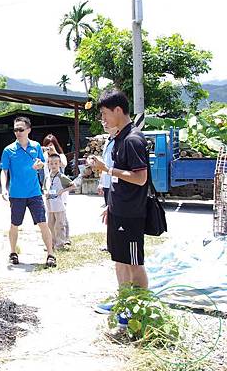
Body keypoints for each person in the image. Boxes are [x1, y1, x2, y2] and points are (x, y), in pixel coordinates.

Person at [89, 90, 149, 316]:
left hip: (131, 213)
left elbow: (140, 178)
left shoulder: (132, 139)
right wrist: (110, 205)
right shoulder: (119, 138)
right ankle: (124, 302)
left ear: (118, 110)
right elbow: (120, 180)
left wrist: (107, 169)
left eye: (104, 114)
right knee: (120, 258)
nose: (103, 119)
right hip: (118, 209)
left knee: (134, 261)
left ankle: (140, 308)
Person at [0, 117, 57, 268]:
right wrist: (3, 188)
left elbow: (41, 162)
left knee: (43, 223)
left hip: (34, 192)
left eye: (21, 129)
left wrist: (40, 165)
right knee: (14, 224)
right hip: (16, 194)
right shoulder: (8, 150)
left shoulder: (36, 146)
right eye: (15, 129)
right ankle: (13, 252)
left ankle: (50, 254)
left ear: (28, 130)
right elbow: (4, 171)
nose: (18, 132)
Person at [43, 153, 75, 249]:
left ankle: (60, 243)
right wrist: (45, 192)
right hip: (49, 205)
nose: (53, 166)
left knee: (59, 225)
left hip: (59, 205)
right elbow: (44, 188)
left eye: (56, 163)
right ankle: (51, 243)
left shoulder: (61, 176)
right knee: (50, 225)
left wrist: (62, 191)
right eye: (51, 163)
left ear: (60, 164)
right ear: (48, 164)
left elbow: (73, 186)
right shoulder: (47, 177)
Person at [97, 125, 118, 206]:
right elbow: (104, 163)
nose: (105, 124)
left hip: (116, 183)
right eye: (103, 122)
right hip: (106, 182)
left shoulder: (121, 140)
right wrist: (101, 182)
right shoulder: (108, 140)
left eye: (107, 121)